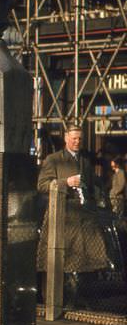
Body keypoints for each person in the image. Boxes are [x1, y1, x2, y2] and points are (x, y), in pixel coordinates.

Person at [36, 125, 111, 307]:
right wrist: (65, 182)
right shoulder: (54, 160)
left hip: (84, 217)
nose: (77, 142)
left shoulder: (84, 161)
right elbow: (42, 185)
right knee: (57, 260)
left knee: (88, 259)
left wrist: (100, 198)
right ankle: (53, 301)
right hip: (62, 216)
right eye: (74, 138)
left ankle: (80, 301)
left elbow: (94, 184)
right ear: (66, 139)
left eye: (79, 139)